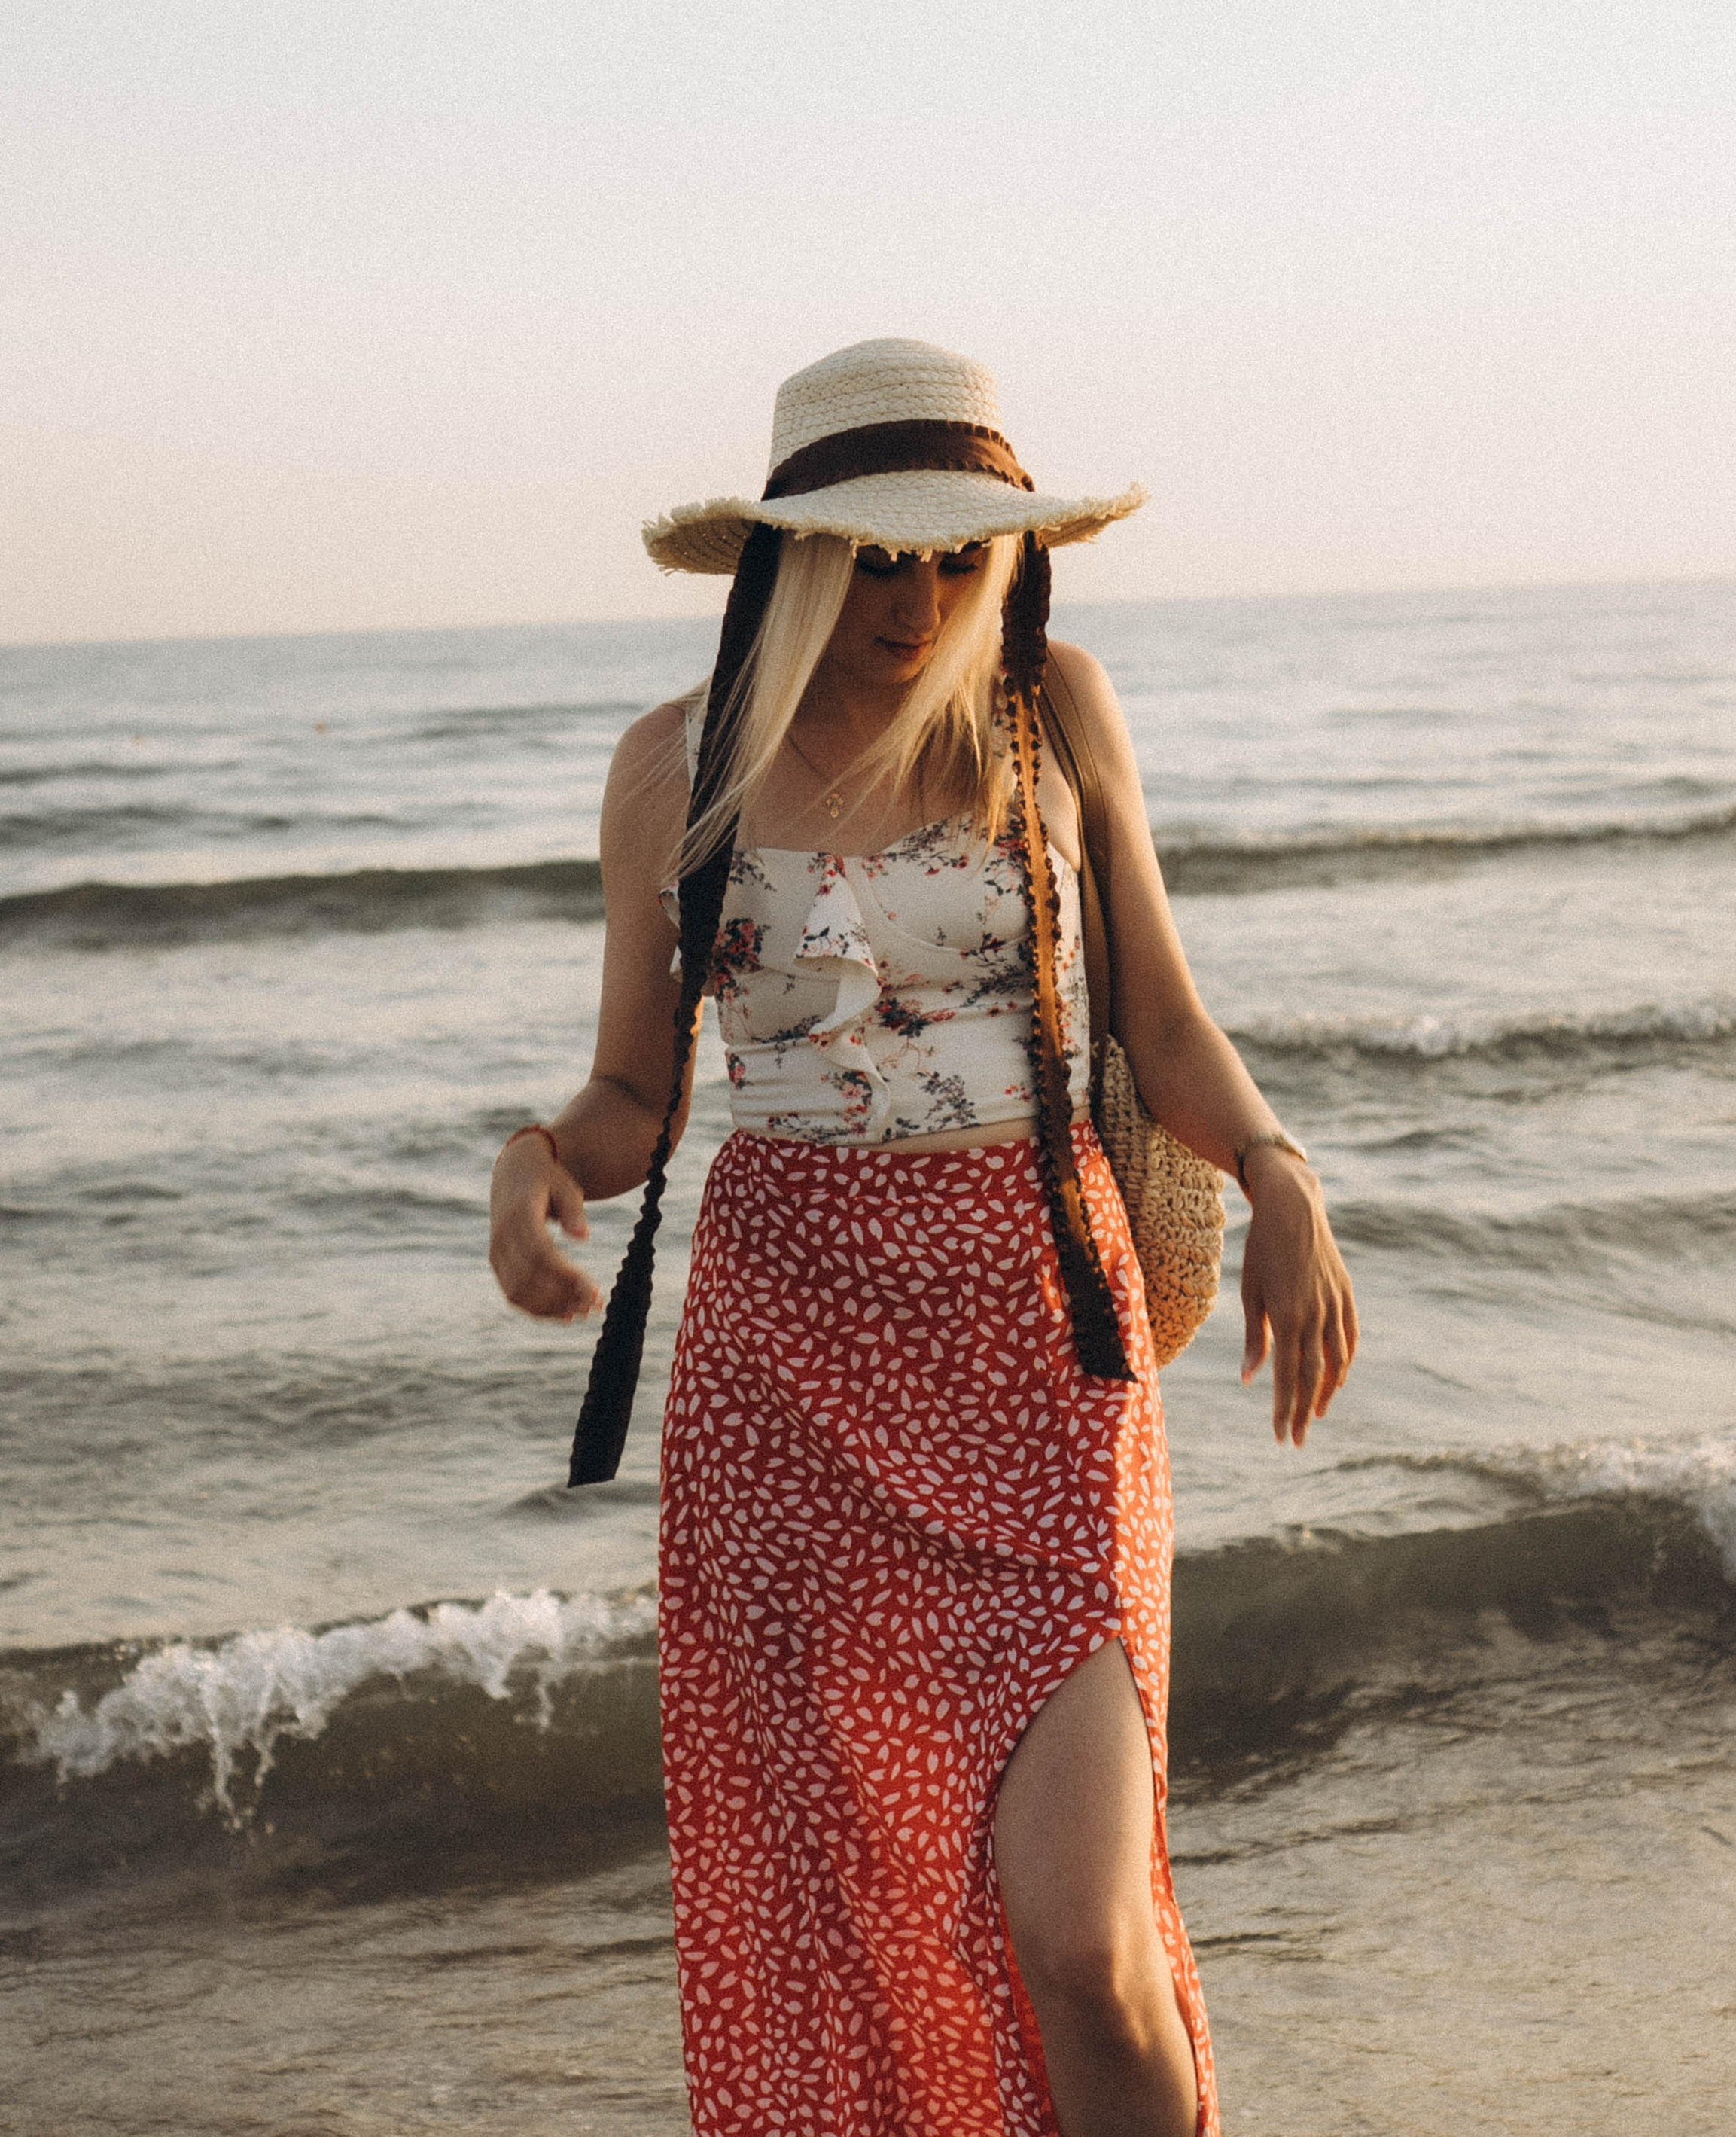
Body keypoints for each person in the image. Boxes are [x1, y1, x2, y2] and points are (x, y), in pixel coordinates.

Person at [489, 337, 1358, 2137]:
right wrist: (536, 1165)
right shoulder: (679, 766)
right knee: (858, 1916)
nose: (920, 595)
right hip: (787, 1373)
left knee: (1084, 1946)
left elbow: (1162, 1032)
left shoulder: (1056, 714)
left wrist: (1276, 1169)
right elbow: (633, 1100)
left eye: (954, 554)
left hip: (1041, 1346)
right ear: (791, 552)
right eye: (879, 555)